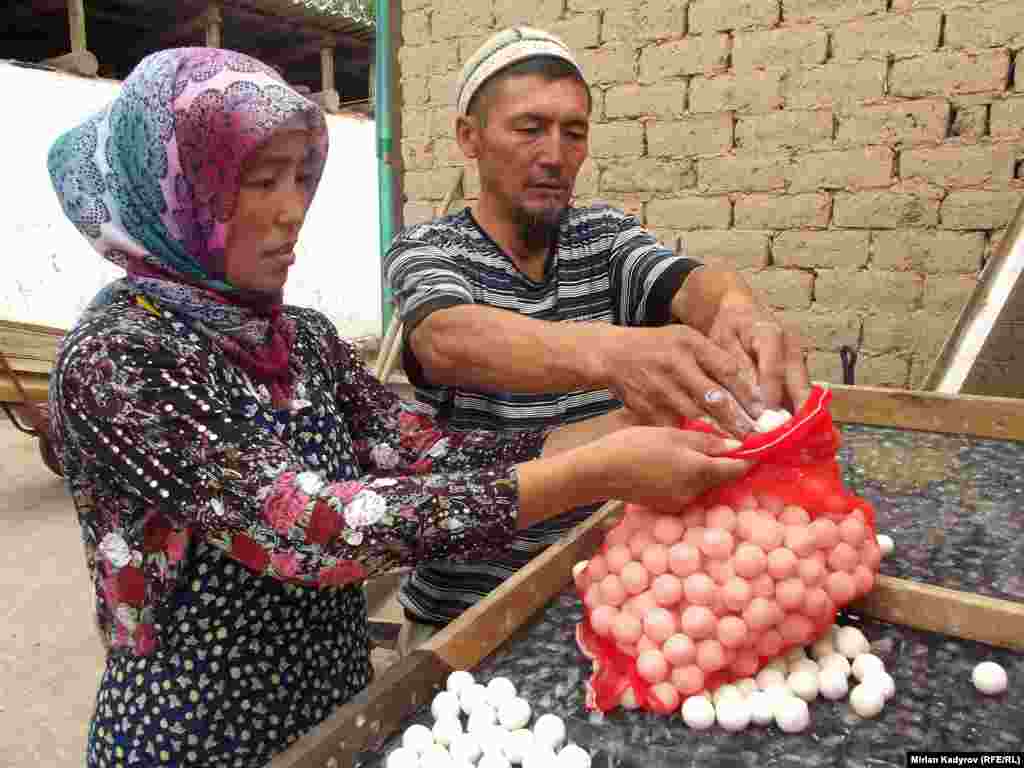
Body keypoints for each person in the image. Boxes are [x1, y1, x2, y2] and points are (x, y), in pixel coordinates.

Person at [47, 48, 750, 766]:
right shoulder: (119, 361)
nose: (293, 210)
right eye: (260, 181)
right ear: (175, 193)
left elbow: (421, 451)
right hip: (197, 736)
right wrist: (594, 472)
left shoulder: (302, 340)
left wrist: (618, 432)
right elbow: (313, 531)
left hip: (340, 712)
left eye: (301, 178)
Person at [385, 27, 811, 633]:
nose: (555, 155)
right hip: (468, 615)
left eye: (574, 132)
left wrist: (742, 310)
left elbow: (689, 284)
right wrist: (612, 353)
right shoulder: (430, 249)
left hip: (604, 597)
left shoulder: (603, 237)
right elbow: (446, 338)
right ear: (468, 137)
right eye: (528, 127)